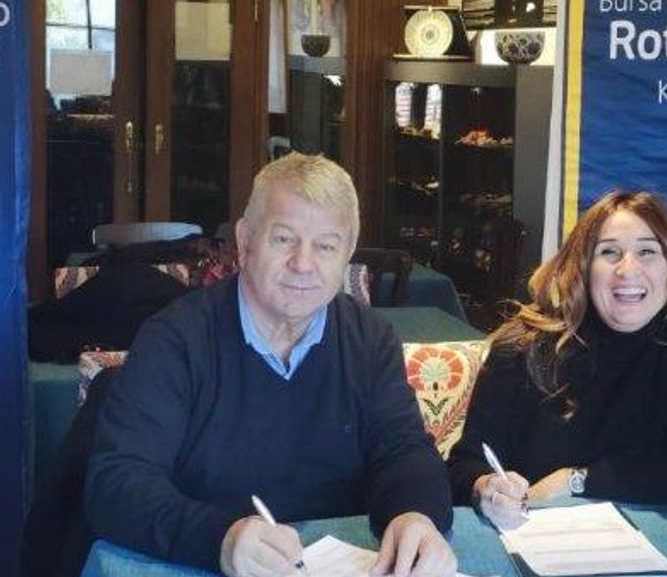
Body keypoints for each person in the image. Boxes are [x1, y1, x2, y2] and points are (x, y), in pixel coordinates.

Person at [84, 153, 456, 577]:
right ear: (245, 241)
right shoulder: (176, 339)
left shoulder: (370, 339)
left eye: (326, 246)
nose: (303, 263)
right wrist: (220, 539)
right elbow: (116, 483)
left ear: (347, 256)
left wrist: (415, 514)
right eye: (283, 239)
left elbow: (404, 451)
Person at [446, 190, 667, 528]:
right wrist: (485, 489)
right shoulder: (522, 345)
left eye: (647, 251)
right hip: (530, 536)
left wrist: (576, 481)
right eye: (609, 252)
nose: (628, 269)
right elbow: (463, 468)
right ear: (582, 267)